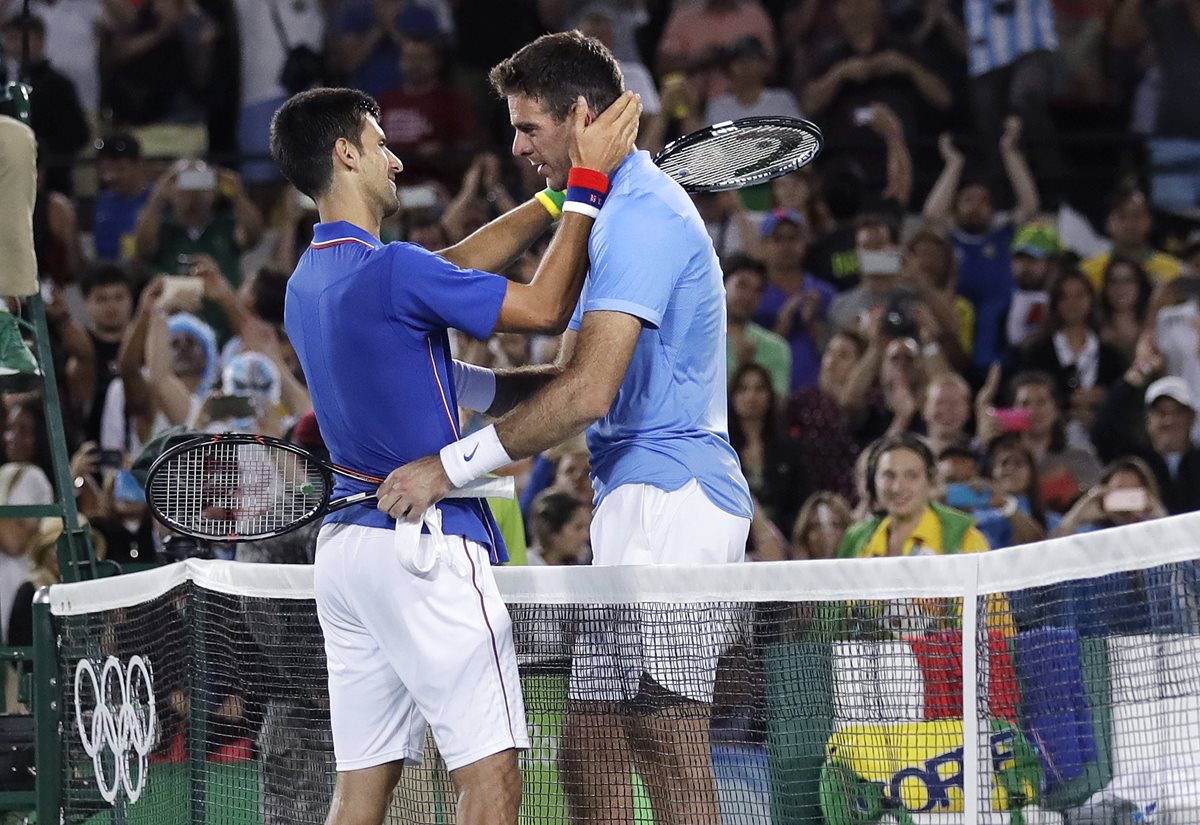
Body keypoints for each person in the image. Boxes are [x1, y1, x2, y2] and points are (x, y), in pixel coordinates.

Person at [380, 31, 752, 825]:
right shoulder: (607, 212)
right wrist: (466, 385)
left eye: (528, 128)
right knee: (587, 742)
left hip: (676, 494)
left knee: (665, 734)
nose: (516, 148)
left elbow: (586, 394)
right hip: (633, 493)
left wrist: (449, 466)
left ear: (581, 115)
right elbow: (564, 378)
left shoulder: (643, 218)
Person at [270, 83, 640, 825]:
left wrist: (548, 201)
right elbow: (543, 309)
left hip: (347, 559)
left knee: (358, 795)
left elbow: (453, 264)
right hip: (423, 552)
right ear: (346, 153)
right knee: (494, 777)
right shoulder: (394, 271)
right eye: (380, 144)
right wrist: (590, 187)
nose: (396, 159)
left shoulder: (309, 283)